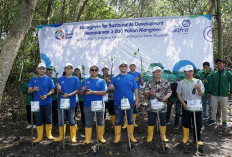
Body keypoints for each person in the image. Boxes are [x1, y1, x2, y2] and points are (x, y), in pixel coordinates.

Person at [109, 60, 139, 143]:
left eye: (125, 66)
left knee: (130, 120)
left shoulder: (131, 77)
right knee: (118, 120)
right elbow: (112, 88)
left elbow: (135, 89)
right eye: (121, 66)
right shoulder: (115, 78)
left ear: (127, 67)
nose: (123, 67)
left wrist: (137, 100)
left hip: (130, 102)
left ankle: (131, 136)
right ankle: (117, 137)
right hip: (118, 103)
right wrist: (111, 87)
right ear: (119, 68)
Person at [177, 65, 205, 146]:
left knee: (198, 122)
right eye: (187, 72)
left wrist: (199, 89)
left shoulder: (198, 81)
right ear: (184, 73)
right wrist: (183, 104)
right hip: (186, 103)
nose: (188, 73)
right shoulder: (181, 83)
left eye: (190, 71)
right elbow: (179, 95)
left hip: (197, 104)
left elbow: (201, 94)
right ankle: (186, 138)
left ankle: (197, 139)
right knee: (185, 121)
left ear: (193, 72)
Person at [28, 63, 55, 143]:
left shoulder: (49, 79)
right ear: (37, 69)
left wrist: (47, 95)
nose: (41, 70)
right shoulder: (33, 79)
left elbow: (52, 90)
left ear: (45, 70)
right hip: (36, 103)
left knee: (48, 119)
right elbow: (28, 91)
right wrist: (33, 89)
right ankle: (40, 137)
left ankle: (49, 135)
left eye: (43, 69)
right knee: (38, 120)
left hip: (47, 102)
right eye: (40, 68)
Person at [80, 65, 107, 144]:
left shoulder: (102, 81)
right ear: (90, 71)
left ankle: (101, 137)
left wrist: (93, 92)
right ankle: (88, 139)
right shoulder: (85, 81)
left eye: (96, 70)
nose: (94, 71)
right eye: (92, 70)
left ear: (98, 71)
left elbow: (104, 92)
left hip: (100, 104)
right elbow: (80, 93)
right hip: (88, 105)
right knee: (88, 122)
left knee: (100, 121)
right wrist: (82, 90)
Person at [144, 66, 172, 143]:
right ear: (153, 73)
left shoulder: (165, 82)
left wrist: (166, 97)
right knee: (151, 121)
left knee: (163, 121)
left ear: (161, 73)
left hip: (162, 105)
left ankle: (163, 136)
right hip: (151, 107)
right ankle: (150, 136)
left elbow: (170, 92)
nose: (157, 73)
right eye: (155, 72)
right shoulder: (149, 83)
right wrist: (149, 93)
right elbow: (145, 94)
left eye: (158, 72)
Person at [55, 63, 79, 143]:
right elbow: (58, 92)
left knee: (71, 120)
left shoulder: (75, 79)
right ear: (64, 70)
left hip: (71, 102)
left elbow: (77, 90)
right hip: (61, 103)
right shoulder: (60, 79)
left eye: (70, 68)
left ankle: (73, 137)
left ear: (72, 70)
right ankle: (61, 136)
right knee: (60, 120)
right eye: (67, 68)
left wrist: (69, 95)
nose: (68, 70)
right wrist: (58, 89)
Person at [208, 59, 232, 127]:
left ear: (224, 64)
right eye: (218, 63)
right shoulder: (214, 73)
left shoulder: (228, 73)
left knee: (224, 109)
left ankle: (224, 122)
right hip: (214, 94)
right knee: (213, 107)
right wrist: (209, 92)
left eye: (221, 63)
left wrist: (231, 91)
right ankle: (212, 120)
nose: (219, 64)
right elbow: (211, 83)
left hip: (224, 94)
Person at [121, 63, 143, 128]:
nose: (132, 67)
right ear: (129, 67)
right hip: (128, 93)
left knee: (134, 107)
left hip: (136, 93)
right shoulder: (126, 74)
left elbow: (142, 84)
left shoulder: (139, 74)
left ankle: (133, 122)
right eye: (131, 65)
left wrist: (140, 78)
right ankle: (125, 123)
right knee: (126, 107)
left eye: (134, 65)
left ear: (135, 67)